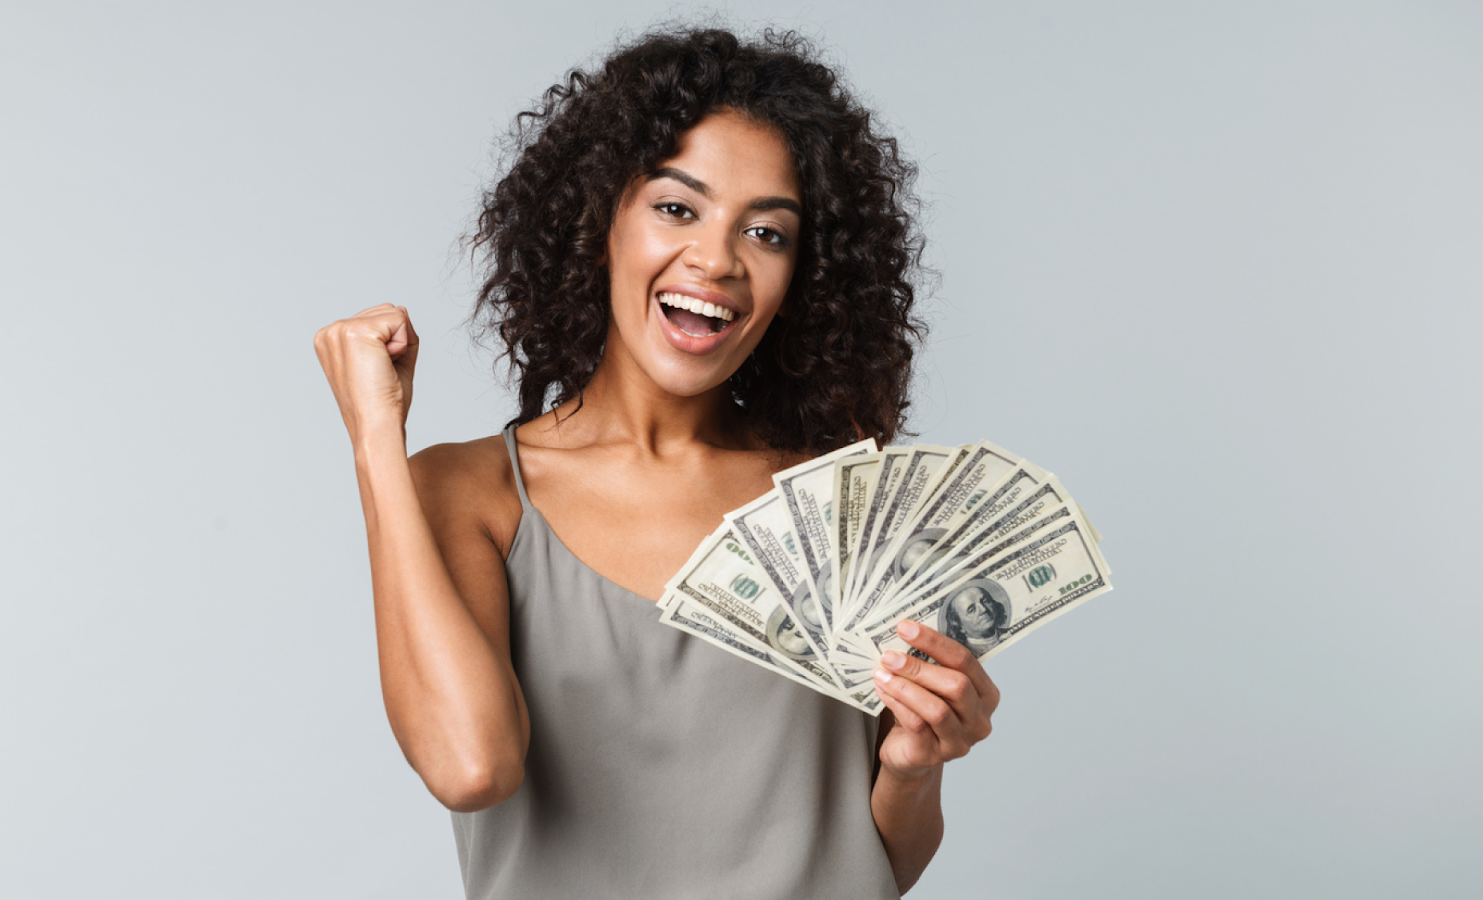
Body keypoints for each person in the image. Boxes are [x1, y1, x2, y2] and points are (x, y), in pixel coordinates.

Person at [313, 26, 1000, 898]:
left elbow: (876, 865)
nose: (716, 260)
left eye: (768, 233)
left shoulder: (840, 499)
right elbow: (470, 767)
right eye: (677, 208)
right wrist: (376, 438)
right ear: (598, 217)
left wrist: (911, 767)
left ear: (807, 276)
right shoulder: (470, 491)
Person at [940, 583, 1012, 656]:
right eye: (972, 610)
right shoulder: (963, 655)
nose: (983, 609)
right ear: (960, 626)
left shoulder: (1011, 632)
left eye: (985, 601)